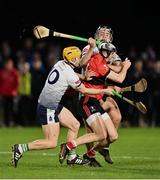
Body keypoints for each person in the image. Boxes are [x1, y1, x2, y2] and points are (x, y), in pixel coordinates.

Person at [11, 41, 117, 168]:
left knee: (75, 125)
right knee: (51, 142)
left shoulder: (60, 63)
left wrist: (83, 77)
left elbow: (71, 74)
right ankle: (20, 148)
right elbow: (84, 90)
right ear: (72, 59)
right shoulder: (69, 75)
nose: (81, 60)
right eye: (78, 57)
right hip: (48, 108)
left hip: (52, 104)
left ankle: (71, 157)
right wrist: (103, 90)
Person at [80, 25, 130, 166]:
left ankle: (104, 147)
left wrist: (108, 66)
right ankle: (90, 158)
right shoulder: (89, 47)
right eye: (101, 34)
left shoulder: (112, 50)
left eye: (107, 34)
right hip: (88, 90)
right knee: (91, 130)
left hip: (103, 90)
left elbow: (119, 68)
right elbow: (84, 64)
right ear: (96, 36)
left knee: (117, 117)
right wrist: (93, 50)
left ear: (111, 37)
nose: (104, 36)